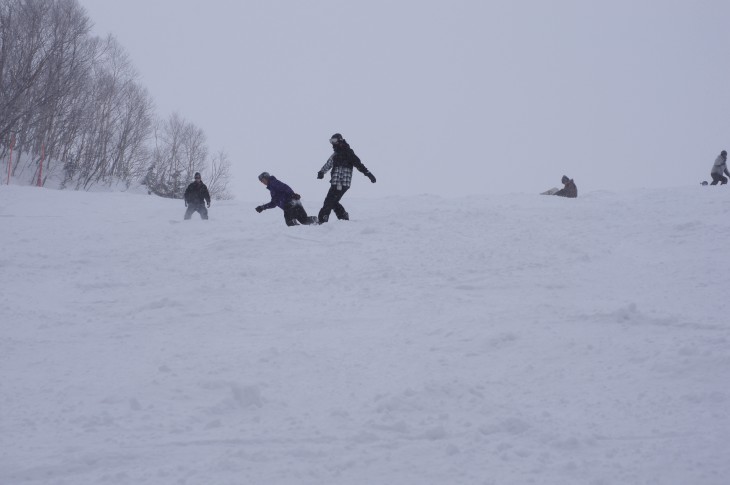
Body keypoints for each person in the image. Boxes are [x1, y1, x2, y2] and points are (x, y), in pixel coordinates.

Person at [316, 133, 376, 223]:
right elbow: (328, 164)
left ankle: (322, 220)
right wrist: (321, 172)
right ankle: (343, 216)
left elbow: (359, 165)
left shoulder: (348, 152)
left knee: (329, 201)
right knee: (333, 201)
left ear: (340, 140)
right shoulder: (335, 154)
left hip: (343, 182)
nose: (333, 143)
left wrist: (368, 174)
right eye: (331, 141)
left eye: (334, 141)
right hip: (336, 182)